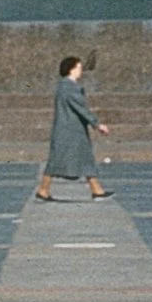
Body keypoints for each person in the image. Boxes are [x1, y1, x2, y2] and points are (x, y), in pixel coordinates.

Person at [37, 56, 112, 201]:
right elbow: (81, 108)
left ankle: (96, 190)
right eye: (79, 68)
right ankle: (44, 190)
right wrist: (97, 124)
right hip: (71, 131)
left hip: (69, 130)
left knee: (66, 159)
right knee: (66, 160)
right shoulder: (69, 87)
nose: (81, 71)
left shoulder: (64, 86)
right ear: (71, 69)